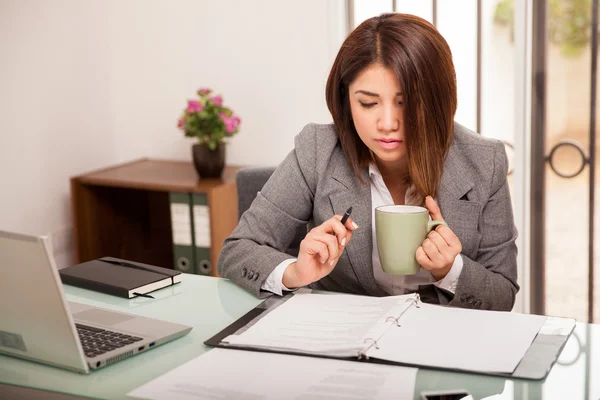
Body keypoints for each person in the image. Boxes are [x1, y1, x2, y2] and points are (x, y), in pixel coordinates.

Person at [218, 13, 518, 311]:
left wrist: (450, 270)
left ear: (438, 100)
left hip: (442, 340)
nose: (387, 123)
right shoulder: (317, 149)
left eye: (406, 102)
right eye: (368, 103)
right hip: (341, 339)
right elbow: (236, 252)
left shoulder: (483, 160)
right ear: (346, 100)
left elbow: (503, 294)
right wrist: (295, 272)